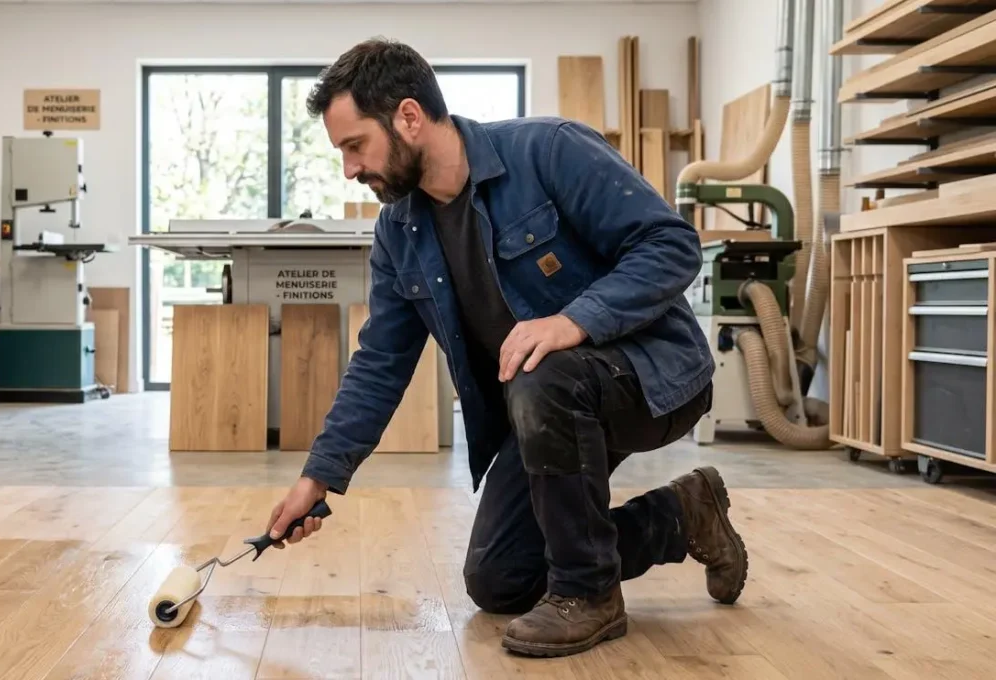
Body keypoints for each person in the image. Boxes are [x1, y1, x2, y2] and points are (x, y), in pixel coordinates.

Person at [266, 37, 748, 658]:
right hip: (547, 408)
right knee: (500, 578)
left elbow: (671, 245)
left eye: (355, 145)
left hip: (653, 379)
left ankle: (589, 595)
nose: (350, 169)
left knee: (541, 369)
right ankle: (684, 515)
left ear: (408, 116)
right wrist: (319, 477)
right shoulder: (400, 231)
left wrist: (574, 320)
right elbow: (381, 363)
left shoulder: (550, 150)